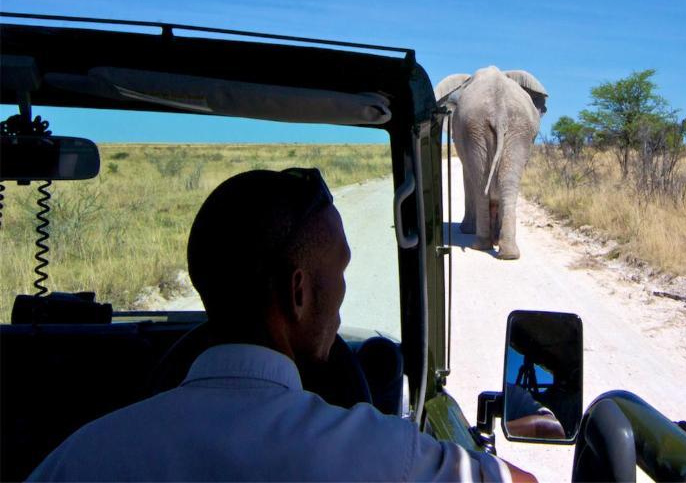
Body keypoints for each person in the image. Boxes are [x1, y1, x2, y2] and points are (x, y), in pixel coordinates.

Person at [30, 168, 536, 482]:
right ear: (297, 294)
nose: (341, 296)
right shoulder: (376, 454)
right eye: (339, 273)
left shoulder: (80, 457)